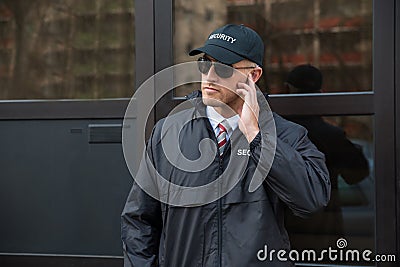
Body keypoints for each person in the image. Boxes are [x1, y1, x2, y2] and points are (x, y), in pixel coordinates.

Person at [121, 24, 331, 267]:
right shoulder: (168, 132)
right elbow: (139, 220)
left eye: (223, 67)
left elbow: (312, 200)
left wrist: (256, 136)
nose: (210, 76)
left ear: (253, 76)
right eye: (205, 63)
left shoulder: (286, 136)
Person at [283, 64, 370, 254]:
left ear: (288, 90)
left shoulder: (273, 132)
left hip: (282, 233)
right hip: (324, 233)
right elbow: (358, 173)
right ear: (321, 93)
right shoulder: (332, 136)